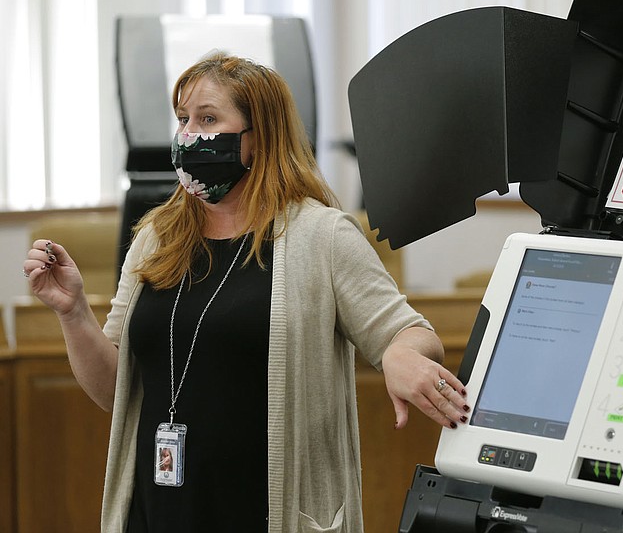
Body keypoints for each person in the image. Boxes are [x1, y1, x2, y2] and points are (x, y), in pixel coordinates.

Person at [23, 52, 470, 533]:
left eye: (209, 119)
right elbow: (117, 391)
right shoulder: (156, 238)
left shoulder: (322, 236)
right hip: (156, 513)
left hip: (269, 513)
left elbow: (407, 332)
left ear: (259, 137)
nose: (189, 135)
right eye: (183, 120)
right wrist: (72, 312)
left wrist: (402, 354)